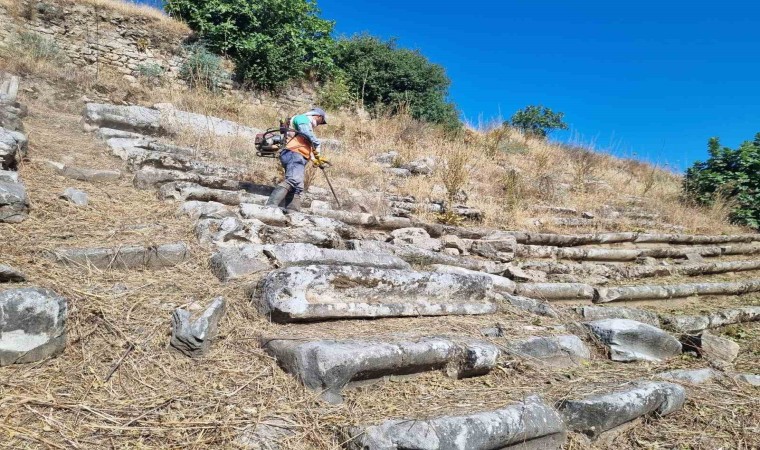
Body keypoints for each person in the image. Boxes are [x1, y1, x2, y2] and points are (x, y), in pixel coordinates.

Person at [265, 107, 329, 211]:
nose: (319, 124)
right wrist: (317, 143)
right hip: (294, 153)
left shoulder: (305, 122)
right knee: (293, 180)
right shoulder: (302, 119)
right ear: (318, 116)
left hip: (298, 154)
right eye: (321, 121)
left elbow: (305, 141)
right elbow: (306, 133)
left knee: (297, 187)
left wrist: (316, 159)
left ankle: (292, 211)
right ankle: (270, 206)